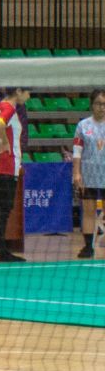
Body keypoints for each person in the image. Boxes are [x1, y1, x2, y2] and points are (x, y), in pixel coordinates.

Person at [0, 87, 30, 263]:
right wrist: (4, 142)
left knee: (1, 208)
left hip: (2, 165)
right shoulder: (8, 108)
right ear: (18, 91)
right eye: (27, 92)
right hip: (4, 164)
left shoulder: (0, 105)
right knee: (2, 208)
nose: (29, 96)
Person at [72, 90, 105, 259]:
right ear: (92, 105)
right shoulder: (82, 126)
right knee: (89, 211)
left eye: (104, 104)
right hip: (88, 174)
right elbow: (77, 151)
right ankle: (87, 247)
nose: (102, 107)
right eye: (99, 104)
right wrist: (77, 173)